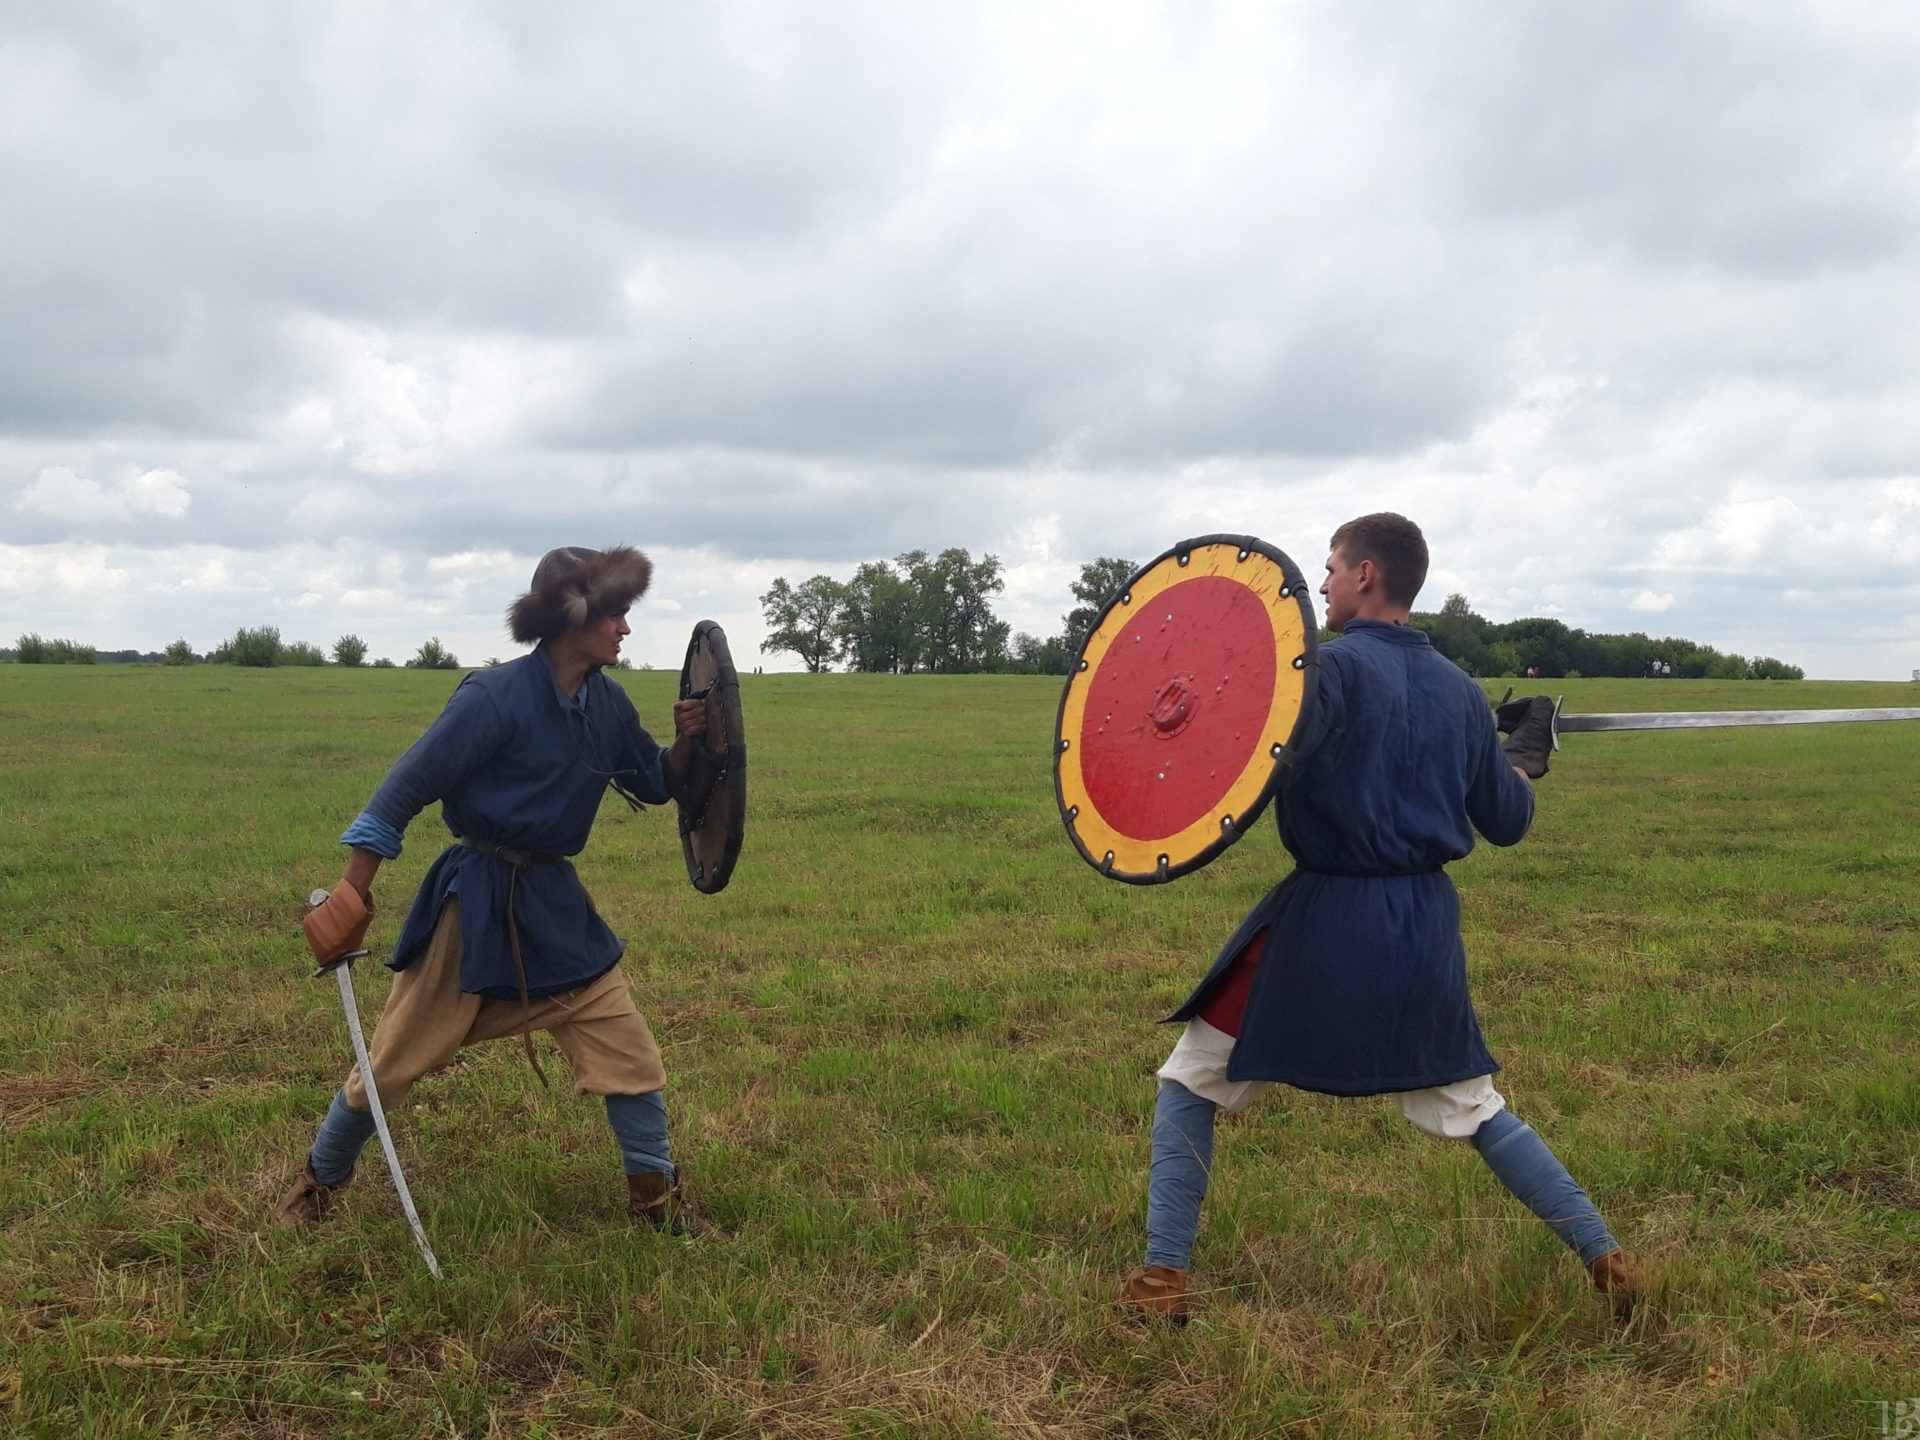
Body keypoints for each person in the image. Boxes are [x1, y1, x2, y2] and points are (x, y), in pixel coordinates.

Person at [1119, 514, 1640, 1322]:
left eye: (1329, 569)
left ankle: (1160, 1282)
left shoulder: (1320, 677)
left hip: (1322, 922)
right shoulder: (1463, 693)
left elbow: (1251, 759)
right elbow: (1508, 818)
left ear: (1366, 574)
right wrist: (1523, 755)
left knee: (1191, 1080)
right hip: (1422, 931)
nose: (1319, 585)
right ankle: (1605, 1256)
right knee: (1475, 1108)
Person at [276, 545, 713, 1232]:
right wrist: (351, 893)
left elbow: (653, 781)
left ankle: (656, 1208)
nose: (625, 629)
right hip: (475, 905)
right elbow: (403, 791)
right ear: (574, 619)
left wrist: (686, 746)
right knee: (390, 1064)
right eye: (616, 615)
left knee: (629, 1051)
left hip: (557, 907)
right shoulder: (494, 697)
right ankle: (316, 1186)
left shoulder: (606, 702)